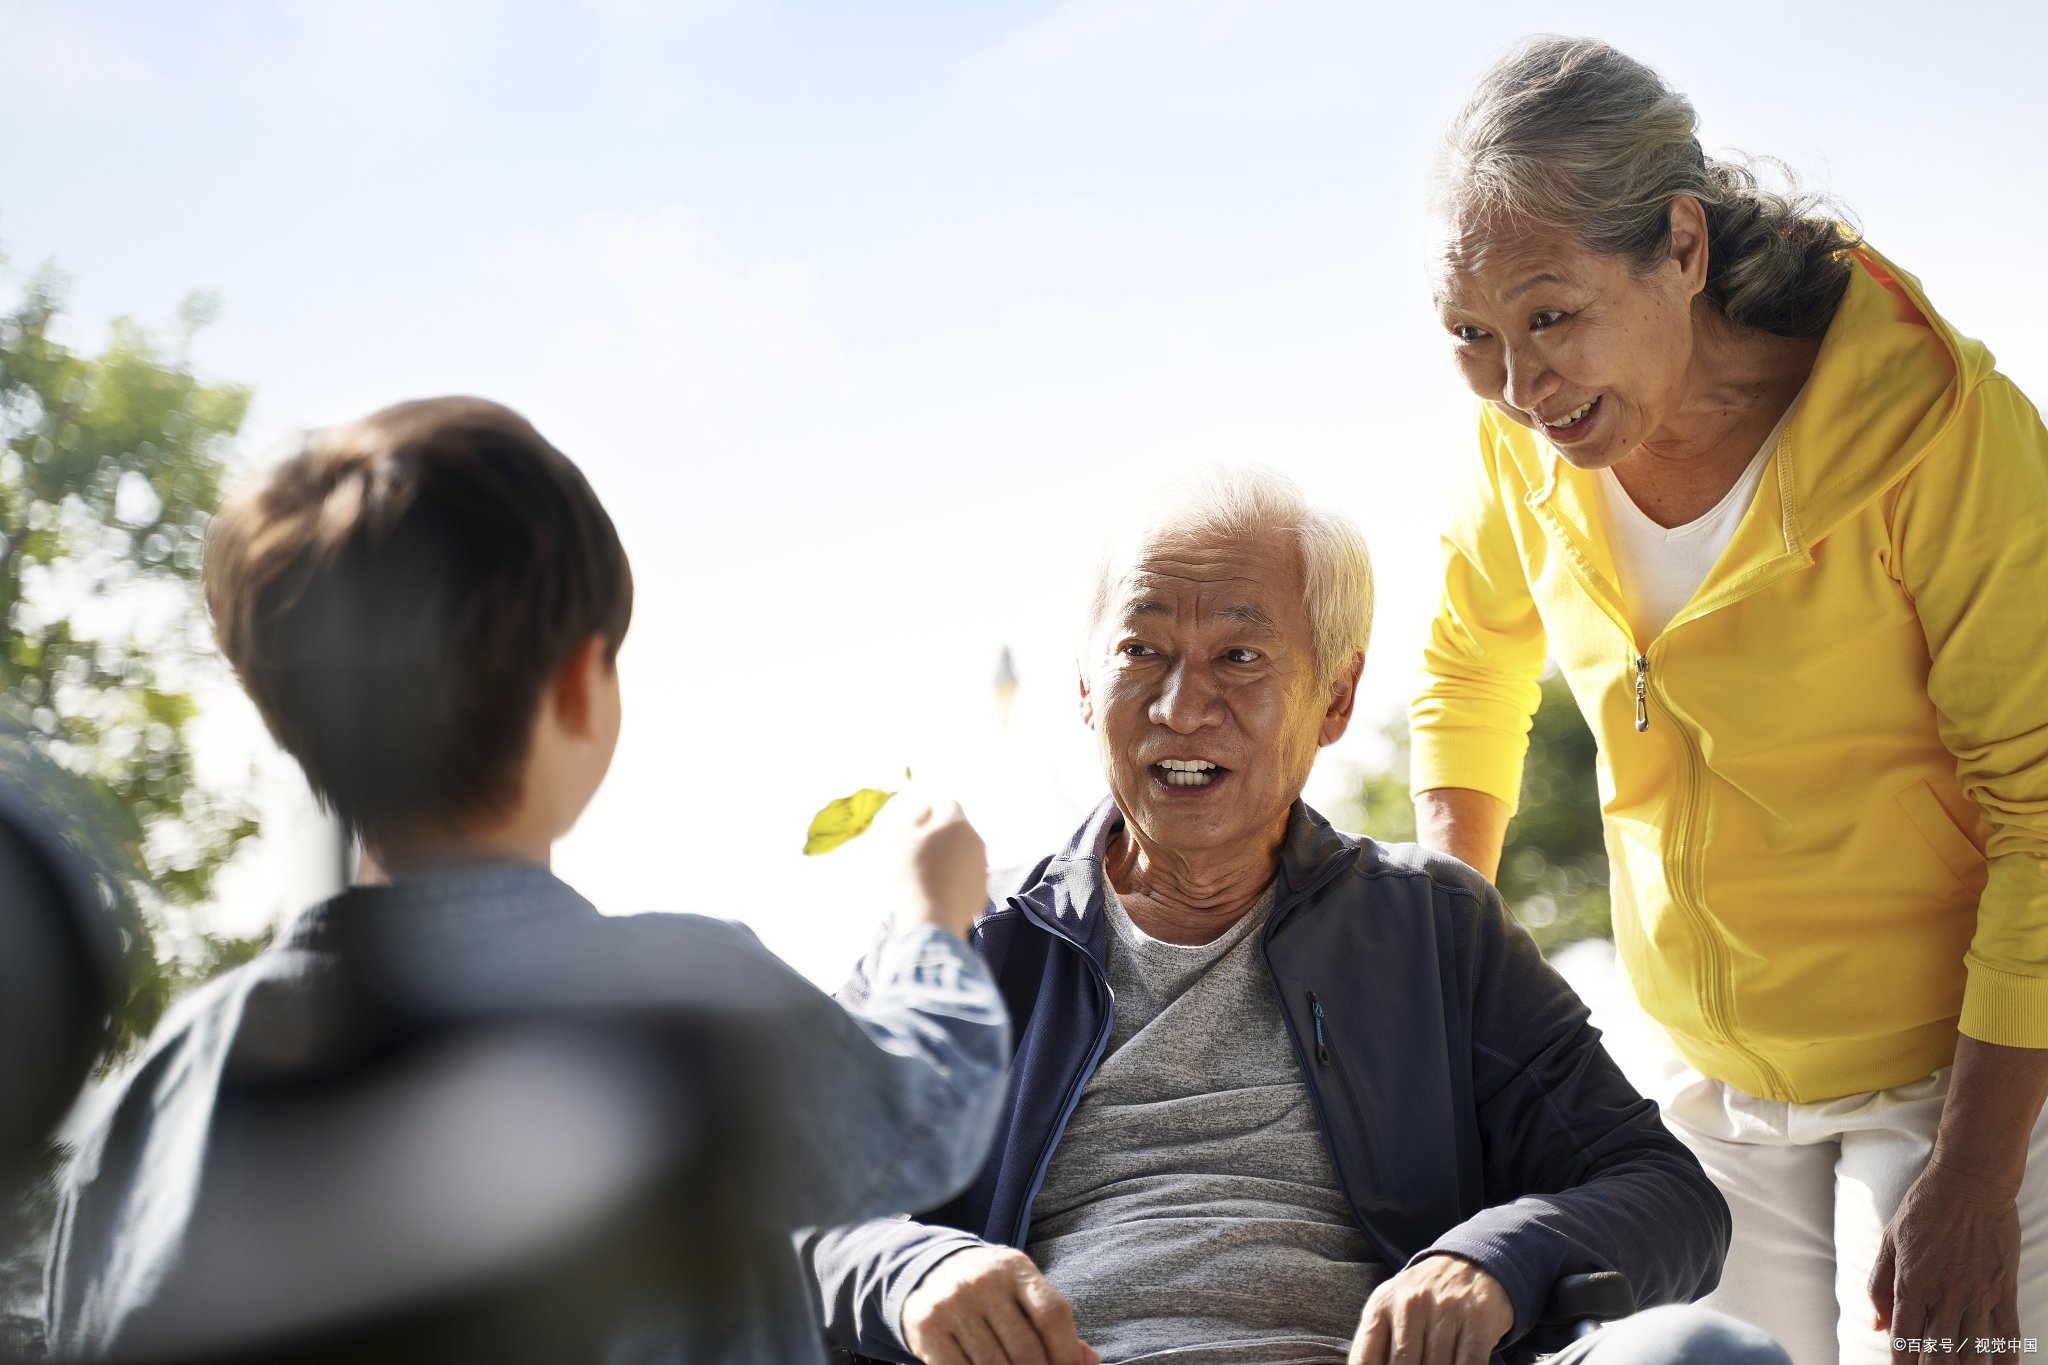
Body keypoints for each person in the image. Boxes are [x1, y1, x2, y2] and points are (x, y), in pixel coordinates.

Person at [40, 397, 1011, 1364]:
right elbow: (923, 1118)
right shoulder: (683, 998)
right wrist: (931, 915)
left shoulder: (157, 1096)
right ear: (579, 688)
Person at [804, 465, 1772, 1365]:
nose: (1182, 708)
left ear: (1336, 697)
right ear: (1085, 684)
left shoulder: (1430, 928)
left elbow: (1665, 1198)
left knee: (1703, 1354)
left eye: (1238, 655)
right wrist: (910, 1270)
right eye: (1141, 651)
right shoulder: (973, 938)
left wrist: (1491, 1264)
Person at [1411, 35, 2048, 1365]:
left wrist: (1980, 1178)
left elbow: (2044, 810)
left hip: (1964, 1071)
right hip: (1707, 1075)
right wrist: (1442, 961)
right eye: (1470, 334)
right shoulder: (1525, 445)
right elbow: (1470, 670)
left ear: (1681, 249)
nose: (1521, 388)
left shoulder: (1939, 431)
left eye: (1549, 315)